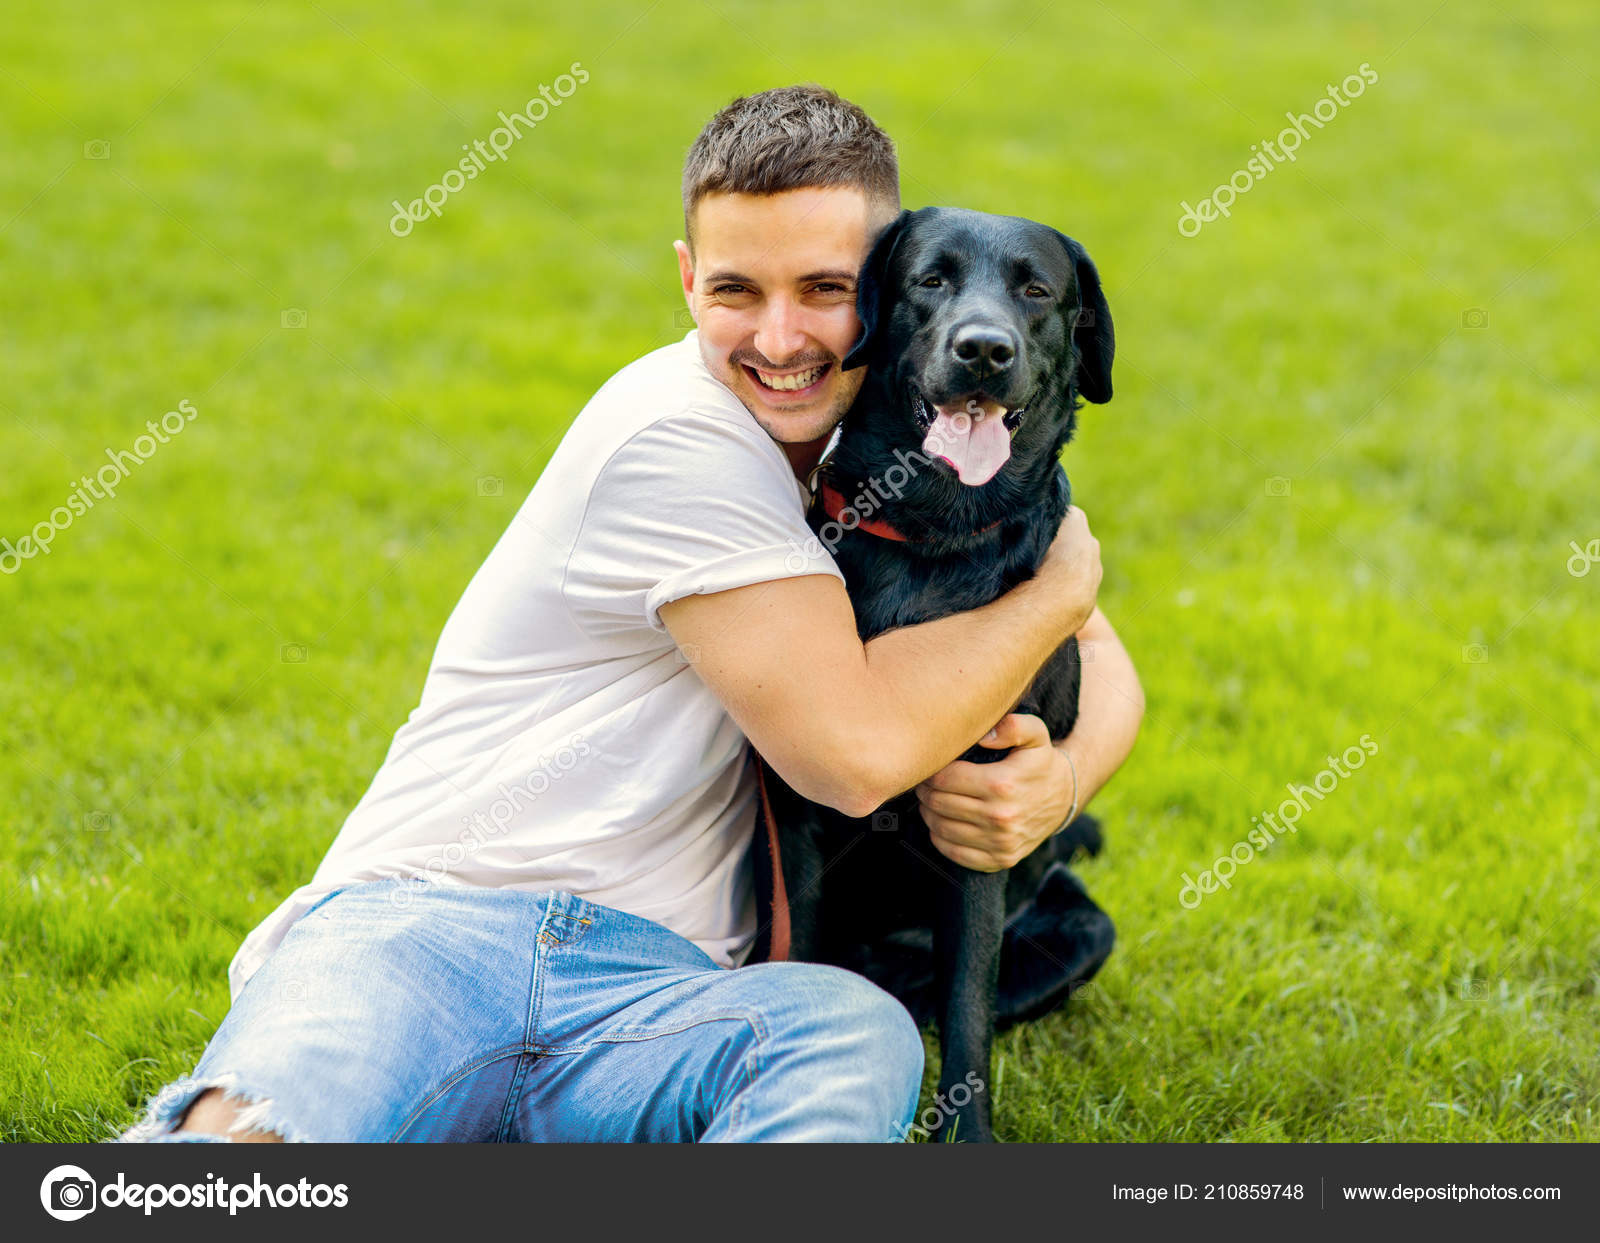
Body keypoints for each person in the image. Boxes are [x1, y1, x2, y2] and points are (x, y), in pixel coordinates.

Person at [119, 84, 1142, 1144]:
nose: (782, 338)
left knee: (854, 1031)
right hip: (429, 933)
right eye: (738, 289)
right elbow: (858, 754)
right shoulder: (678, 439)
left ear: (881, 298)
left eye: (824, 288)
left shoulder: (861, 467)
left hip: (657, 993)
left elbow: (1094, 657)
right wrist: (1063, 587)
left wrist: (1058, 774)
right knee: (246, 1153)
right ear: (687, 279)